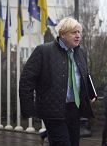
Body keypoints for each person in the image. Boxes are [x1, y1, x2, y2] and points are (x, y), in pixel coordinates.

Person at [19, 17, 97, 146]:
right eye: (74, 32)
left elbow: (84, 76)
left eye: (79, 32)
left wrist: (89, 93)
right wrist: (28, 109)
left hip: (74, 109)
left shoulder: (81, 52)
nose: (78, 36)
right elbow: (26, 80)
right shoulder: (43, 51)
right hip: (53, 111)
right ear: (62, 34)